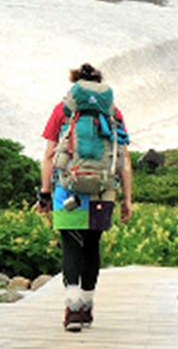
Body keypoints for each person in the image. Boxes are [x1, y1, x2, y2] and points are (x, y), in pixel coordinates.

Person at [37, 61, 134, 331]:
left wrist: (45, 192)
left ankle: (72, 309)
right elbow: (123, 159)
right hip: (103, 190)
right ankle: (87, 308)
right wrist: (127, 199)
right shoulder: (113, 112)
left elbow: (49, 155)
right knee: (91, 246)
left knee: (71, 246)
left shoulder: (63, 110)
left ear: (75, 85)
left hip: (68, 189)